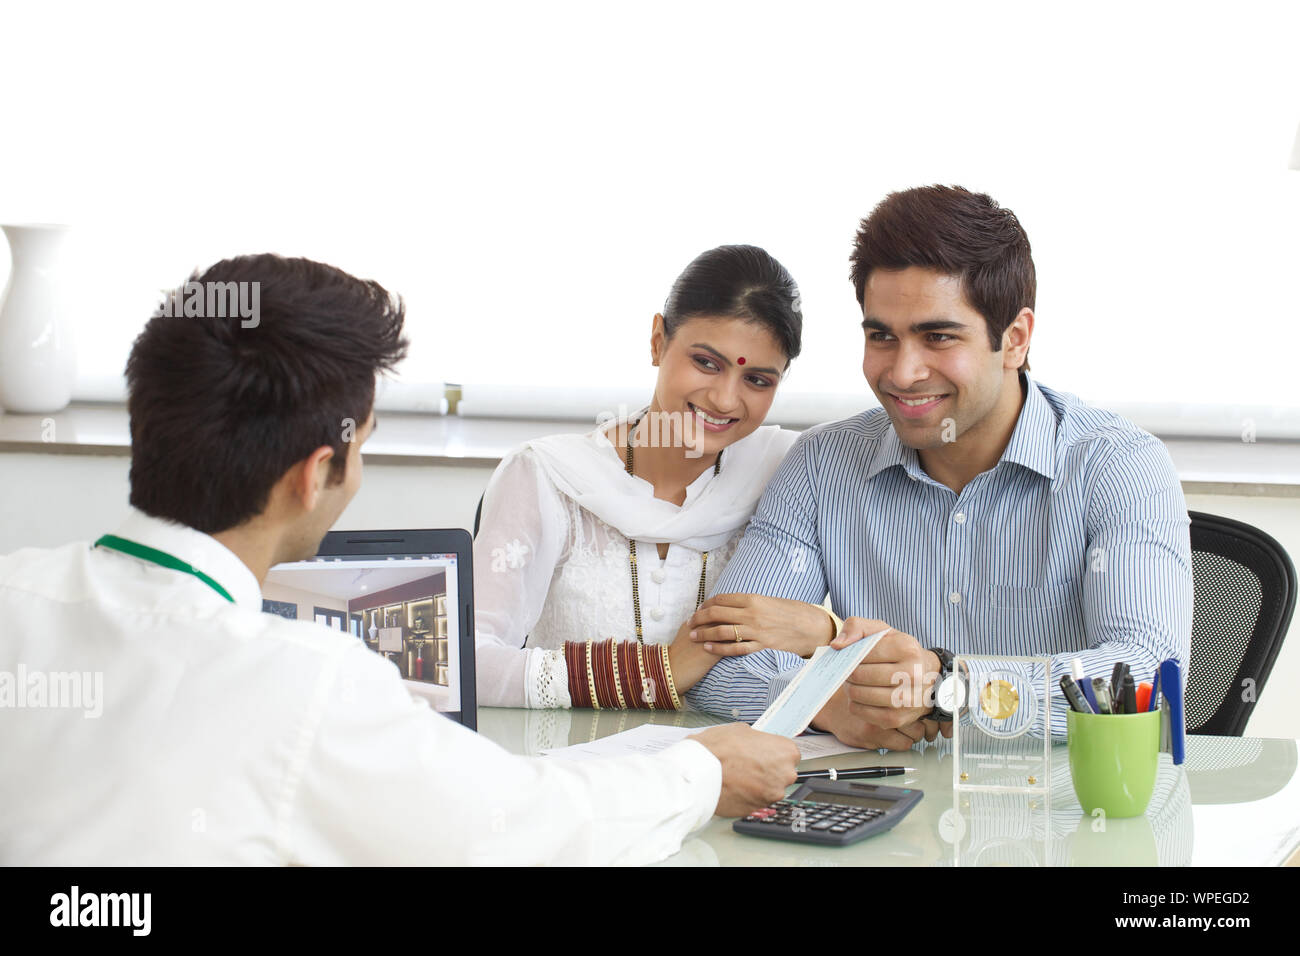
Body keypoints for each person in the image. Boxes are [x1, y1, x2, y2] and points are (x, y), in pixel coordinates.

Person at [0, 254, 800, 865]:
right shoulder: (309, 681)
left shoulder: (14, 594)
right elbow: (519, 826)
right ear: (319, 473)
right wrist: (698, 772)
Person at [680, 185, 1193, 748]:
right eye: (882, 337)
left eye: (938, 336)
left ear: (1015, 339)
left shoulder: (1118, 465)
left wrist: (948, 688)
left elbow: (1148, 672)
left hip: (1060, 818)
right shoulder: (822, 465)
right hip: (876, 810)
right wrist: (829, 704)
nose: (903, 372)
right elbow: (721, 662)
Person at [474, 245, 841, 711]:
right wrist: (660, 671)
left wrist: (826, 630)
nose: (726, 400)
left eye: (758, 381)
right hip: (579, 770)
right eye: (706, 363)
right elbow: (466, 664)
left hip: (736, 766)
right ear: (657, 341)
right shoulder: (548, 478)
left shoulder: (790, 470)